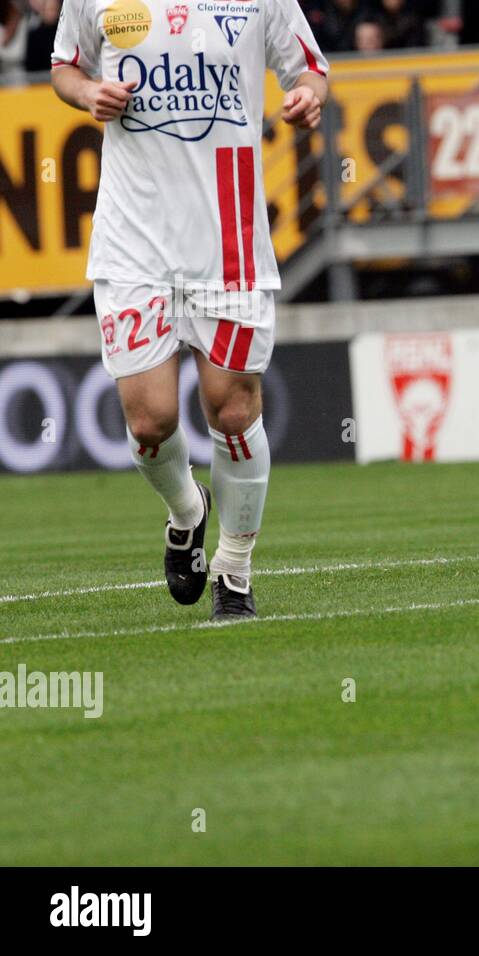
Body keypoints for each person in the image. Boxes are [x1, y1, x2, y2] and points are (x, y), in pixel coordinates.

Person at [50, 0, 329, 619]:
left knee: (231, 410)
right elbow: (64, 66)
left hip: (227, 242)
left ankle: (234, 568)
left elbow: (309, 69)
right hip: (134, 242)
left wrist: (308, 96)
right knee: (149, 421)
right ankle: (187, 510)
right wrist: (88, 91)